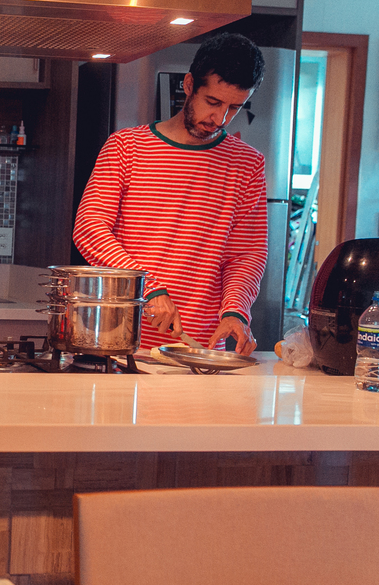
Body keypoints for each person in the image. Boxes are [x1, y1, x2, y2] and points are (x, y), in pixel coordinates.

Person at [73, 32, 268, 354]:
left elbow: (246, 253)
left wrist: (236, 309)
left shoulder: (247, 163)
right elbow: (90, 229)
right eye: (213, 102)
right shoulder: (127, 146)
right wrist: (147, 287)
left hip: (202, 349)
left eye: (234, 107)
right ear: (189, 85)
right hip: (124, 343)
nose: (220, 119)